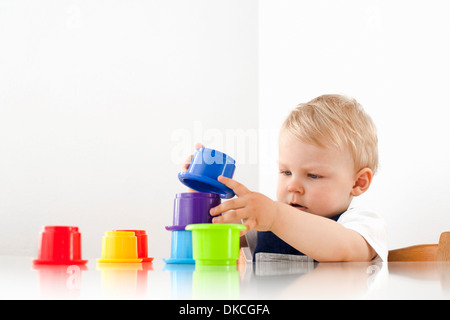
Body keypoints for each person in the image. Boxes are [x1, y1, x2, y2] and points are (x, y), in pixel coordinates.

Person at [183, 94, 387, 262]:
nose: (293, 186)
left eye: (313, 175)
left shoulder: (362, 225)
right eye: (286, 172)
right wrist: (201, 194)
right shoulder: (262, 224)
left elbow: (346, 250)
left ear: (358, 182)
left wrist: (275, 216)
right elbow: (208, 235)